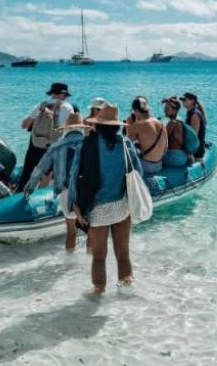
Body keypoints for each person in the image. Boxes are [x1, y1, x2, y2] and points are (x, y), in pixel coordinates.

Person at [68, 103, 142, 294]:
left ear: (98, 124)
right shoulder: (125, 144)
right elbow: (137, 172)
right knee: (123, 254)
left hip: (97, 207)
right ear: (117, 126)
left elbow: (74, 176)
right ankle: (126, 294)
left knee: (99, 256)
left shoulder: (85, 144)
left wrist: (74, 206)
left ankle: (98, 294)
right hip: (121, 205)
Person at [23, 112, 89, 252]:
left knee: (71, 231)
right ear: (81, 127)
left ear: (66, 128)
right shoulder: (90, 145)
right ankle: (89, 261)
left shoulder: (57, 146)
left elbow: (41, 168)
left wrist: (30, 186)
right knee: (92, 231)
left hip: (66, 192)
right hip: (86, 191)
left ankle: (69, 261)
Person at [17, 82, 75, 191]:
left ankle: (19, 195)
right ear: (63, 94)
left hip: (34, 143)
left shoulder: (42, 105)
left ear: (52, 93)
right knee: (47, 175)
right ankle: (38, 196)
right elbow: (67, 130)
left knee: (27, 172)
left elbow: (24, 125)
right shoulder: (67, 107)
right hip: (51, 146)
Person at [125, 96, 167, 174]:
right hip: (159, 165)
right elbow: (165, 148)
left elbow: (126, 144)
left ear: (136, 110)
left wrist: (129, 125)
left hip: (146, 166)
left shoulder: (138, 125)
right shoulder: (161, 124)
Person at [161, 95, 188, 167]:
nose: (165, 110)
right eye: (165, 108)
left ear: (175, 110)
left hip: (174, 157)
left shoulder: (172, 123)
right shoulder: (180, 121)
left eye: (167, 109)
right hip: (182, 156)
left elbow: (162, 139)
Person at [181, 92, 207, 159]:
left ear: (192, 101)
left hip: (196, 151)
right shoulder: (190, 112)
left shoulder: (194, 115)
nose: (182, 101)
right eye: (182, 100)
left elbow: (193, 136)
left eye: (184, 100)